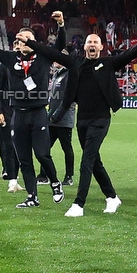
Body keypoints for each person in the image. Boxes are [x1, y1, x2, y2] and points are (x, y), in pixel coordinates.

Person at [25, 27, 137, 217]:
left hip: (101, 120)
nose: (92, 44)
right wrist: (30, 43)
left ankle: (79, 204)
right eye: (90, 42)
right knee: (95, 161)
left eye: (96, 42)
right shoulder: (75, 62)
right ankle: (112, 197)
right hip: (82, 120)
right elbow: (51, 52)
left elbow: (130, 54)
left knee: (86, 160)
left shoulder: (108, 63)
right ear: (84, 46)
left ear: (101, 47)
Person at [0, 13, 66, 208]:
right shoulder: (10, 59)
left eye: (26, 39)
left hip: (38, 113)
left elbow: (60, 46)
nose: (21, 42)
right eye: (19, 39)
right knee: (24, 158)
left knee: (41, 154)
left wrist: (61, 25)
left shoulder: (43, 57)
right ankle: (32, 196)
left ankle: (55, 182)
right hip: (18, 114)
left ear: (32, 42)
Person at [37, 58, 75, 187]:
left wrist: (57, 115)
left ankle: (69, 176)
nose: (54, 61)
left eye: (57, 59)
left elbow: (68, 98)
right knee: (45, 147)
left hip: (64, 119)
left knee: (66, 148)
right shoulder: (56, 75)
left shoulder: (69, 74)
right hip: (51, 119)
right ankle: (43, 175)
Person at [0, 63, 24, 193]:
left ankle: (16, 179)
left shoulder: (27, 64)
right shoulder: (5, 64)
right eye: (16, 43)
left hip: (22, 111)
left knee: (20, 147)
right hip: (6, 112)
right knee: (9, 146)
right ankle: (12, 180)